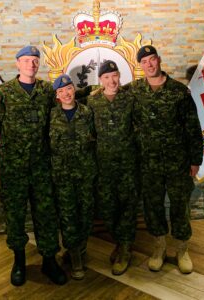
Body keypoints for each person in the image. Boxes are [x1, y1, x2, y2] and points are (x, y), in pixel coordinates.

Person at [0, 45, 67, 286]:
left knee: (46, 214)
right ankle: (19, 261)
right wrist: (17, 148)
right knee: (15, 214)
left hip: (42, 165)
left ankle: (49, 260)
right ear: (17, 64)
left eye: (35, 60)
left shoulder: (46, 90)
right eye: (26, 60)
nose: (31, 65)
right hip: (14, 167)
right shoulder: (5, 91)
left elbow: (55, 120)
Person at [130, 45, 203, 274]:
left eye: (152, 60)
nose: (149, 65)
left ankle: (182, 249)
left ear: (159, 60)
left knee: (180, 206)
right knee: (153, 207)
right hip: (148, 164)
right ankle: (159, 247)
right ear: (140, 66)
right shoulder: (134, 91)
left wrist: (195, 160)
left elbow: (193, 128)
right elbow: (107, 90)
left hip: (177, 163)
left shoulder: (179, 91)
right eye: (145, 62)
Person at [87, 60, 138, 276]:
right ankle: (119, 242)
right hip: (104, 165)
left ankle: (125, 249)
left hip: (127, 164)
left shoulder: (130, 99)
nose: (112, 80)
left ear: (120, 75)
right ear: (100, 80)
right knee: (108, 208)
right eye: (106, 77)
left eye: (115, 75)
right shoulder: (93, 102)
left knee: (127, 206)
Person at [50, 74, 97, 280]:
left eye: (69, 89)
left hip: (85, 175)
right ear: (57, 95)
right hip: (62, 178)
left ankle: (80, 248)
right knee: (68, 217)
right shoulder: (50, 116)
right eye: (61, 91)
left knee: (85, 215)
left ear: (74, 90)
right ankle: (76, 256)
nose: (66, 94)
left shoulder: (87, 113)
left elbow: (95, 140)